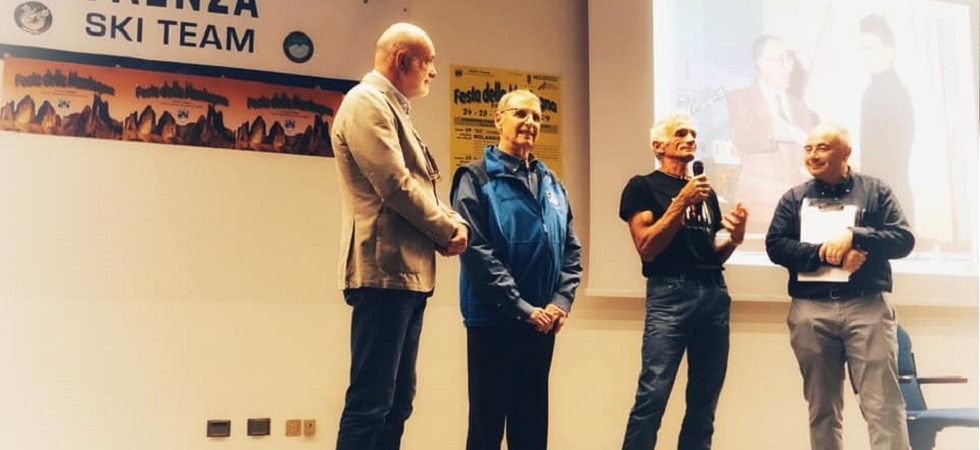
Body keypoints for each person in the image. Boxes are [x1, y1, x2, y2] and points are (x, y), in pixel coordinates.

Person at [331, 22, 469, 450]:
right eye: (429, 62)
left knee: (396, 403)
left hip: (406, 276)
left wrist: (455, 222)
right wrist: (445, 229)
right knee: (371, 402)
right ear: (403, 60)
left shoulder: (394, 109)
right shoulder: (365, 103)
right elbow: (395, 185)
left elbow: (421, 186)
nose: (433, 72)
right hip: (382, 274)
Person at [766, 123, 915, 450]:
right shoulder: (793, 198)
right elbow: (776, 246)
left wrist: (855, 236)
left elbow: (903, 239)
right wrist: (824, 253)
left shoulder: (876, 191)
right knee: (822, 408)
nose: (812, 155)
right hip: (811, 310)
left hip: (867, 306)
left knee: (883, 405)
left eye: (822, 147)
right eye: (808, 148)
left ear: (845, 153)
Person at [449, 89, 583, 450]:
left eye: (537, 117)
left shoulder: (552, 183)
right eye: (521, 114)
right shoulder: (474, 178)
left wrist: (560, 302)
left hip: (541, 324)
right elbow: (477, 251)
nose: (530, 123)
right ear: (498, 119)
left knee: (531, 431)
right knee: (486, 430)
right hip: (492, 322)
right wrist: (521, 308)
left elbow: (571, 250)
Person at [619, 111, 748, 450]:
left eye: (693, 134)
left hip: (714, 293)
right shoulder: (642, 186)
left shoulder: (706, 193)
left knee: (705, 400)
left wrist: (734, 239)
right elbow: (647, 247)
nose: (690, 139)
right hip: (670, 294)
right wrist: (681, 202)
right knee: (653, 395)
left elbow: (710, 256)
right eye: (681, 133)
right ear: (657, 145)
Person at [727, 35, 818, 236]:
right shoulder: (740, 98)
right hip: (757, 211)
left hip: (796, 212)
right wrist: (784, 131)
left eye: (789, 59)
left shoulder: (800, 107)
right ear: (760, 63)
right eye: (780, 60)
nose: (788, 67)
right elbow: (744, 136)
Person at [859, 14, 916, 228]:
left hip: (888, 200)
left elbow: (887, 158)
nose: (865, 56)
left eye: (870, 48)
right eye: (862, 49)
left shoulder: (890, 93)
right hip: (885, 197)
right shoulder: (876, 90)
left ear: (889, 52)